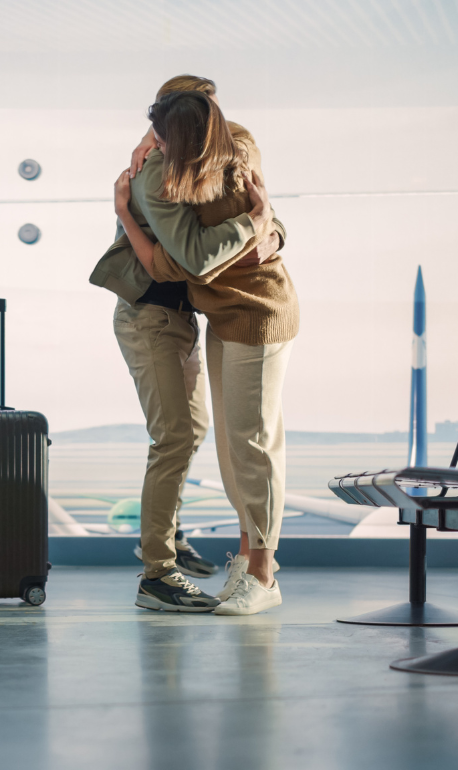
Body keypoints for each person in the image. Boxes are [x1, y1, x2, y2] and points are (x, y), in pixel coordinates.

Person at [90, 75, 285, 613]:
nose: (214, 124)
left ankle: (168, 538)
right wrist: (252, 226)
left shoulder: (205, 163)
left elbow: (260, 224)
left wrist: (266, 229)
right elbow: (180, 260)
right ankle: (157, 570)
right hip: (148, 315)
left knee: (192, 429)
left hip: (181, 318)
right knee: (174, 435)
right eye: (202, 115)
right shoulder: (154, 172)